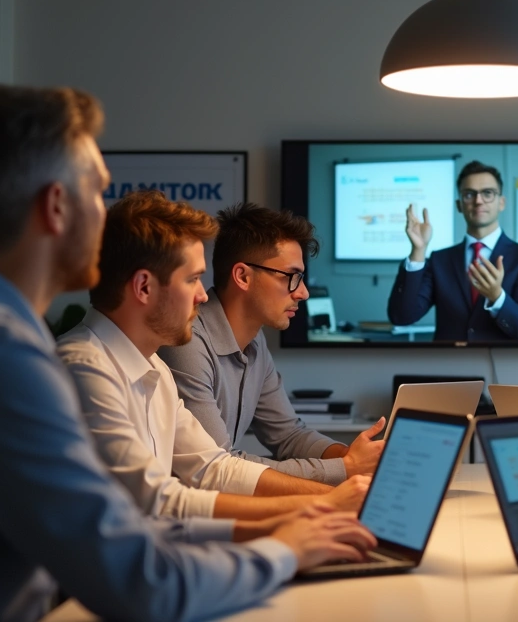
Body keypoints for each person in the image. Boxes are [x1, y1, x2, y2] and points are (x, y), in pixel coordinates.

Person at [0, 86, 374, 622]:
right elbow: (143, 579)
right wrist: (287, 548)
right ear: (56, 206)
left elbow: (158, 512)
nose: (105, 213)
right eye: (97, 191)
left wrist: (294, 521)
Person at [58, 191, 369, 522]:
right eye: (192, 279)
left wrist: (337, 498)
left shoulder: (154, 369)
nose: (203, 295)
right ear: (144, 287)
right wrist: (327, 502)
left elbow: (213, 469)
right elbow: (158, 503)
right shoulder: (83, 367)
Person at [159, 203, 383, 486]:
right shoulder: (186, 342)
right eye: (291, 277)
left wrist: (353, 457)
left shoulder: (255, 340)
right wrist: (344, 468)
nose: (302, 293)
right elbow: (219, 468)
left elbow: (288, 435)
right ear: (242, 276)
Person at [387, 160, 518, 341]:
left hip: (501, 365)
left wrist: (496, 296)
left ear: (501, 203)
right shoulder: (440, 259)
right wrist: (418, 251)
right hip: (448, 365)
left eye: (488, 193)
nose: (478, 201)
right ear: (459, 205)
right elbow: (401, 317)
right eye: (469, 194)